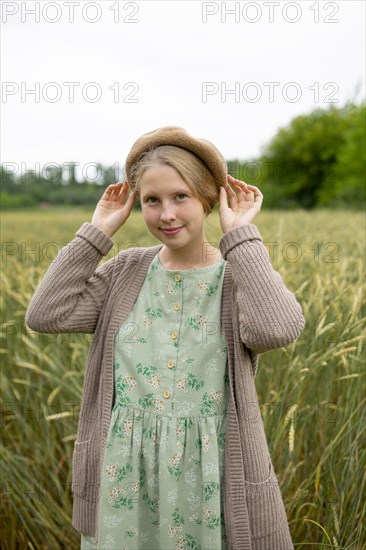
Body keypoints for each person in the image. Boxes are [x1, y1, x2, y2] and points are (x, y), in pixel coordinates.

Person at [25, 126, 306, 550]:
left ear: (209, 198)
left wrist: (241, 238)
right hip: (124, 478)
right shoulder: (126, 272)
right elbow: (46, 313)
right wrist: (97, 232)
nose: (167, 214)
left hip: (212, 479)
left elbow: (279, 328)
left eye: (181, 197)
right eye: (152, 200)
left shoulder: (236, 278)